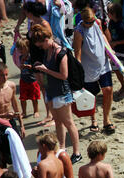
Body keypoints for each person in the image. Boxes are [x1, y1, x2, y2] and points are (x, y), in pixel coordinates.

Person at [31, 24, 82, 164]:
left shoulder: (60, 52)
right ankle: (62, 149)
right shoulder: (47, 52)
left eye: (41, 44)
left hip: (62, 92)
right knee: (58, 122)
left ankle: (77, 152)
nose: (40, 47)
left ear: (47, 39)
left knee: (68, 122)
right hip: (51, 91)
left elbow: (63, 75)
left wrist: (45, 70)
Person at [74, 7, 115, 134]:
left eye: (92, 21)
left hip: (102, 63)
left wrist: (109, 50)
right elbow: (78, 52)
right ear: (83, 20)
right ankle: (93, 120)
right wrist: (79, 70)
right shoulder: (79, 32)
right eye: (88, 22)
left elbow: (102, 35)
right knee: (92, 95)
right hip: (88, 67)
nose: (90, 24)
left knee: (108, 89)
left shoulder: (96, 23)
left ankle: (106, 120)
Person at [22, 1, 54, 127]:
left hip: (44, 59)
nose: (25, 13)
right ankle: (48, 114)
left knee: (48, 87)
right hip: (34, 59)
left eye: (26, 11)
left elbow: (50, 41)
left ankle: (53, 115)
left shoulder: (44, 23)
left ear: (30, 12)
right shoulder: (32, 23)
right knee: (42, 87)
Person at [0, 62, 26, 139]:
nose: (5, 78)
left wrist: (22, 125)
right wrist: (4, 115)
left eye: (6, 75)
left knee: (17, 146)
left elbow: (15, 105)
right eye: (2, 75)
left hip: (10, 121)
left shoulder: (11, 86)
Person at [107, 2, 124, 98]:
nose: (108, 15)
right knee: (116, 70)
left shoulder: (122, 25)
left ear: (114, 14)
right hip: (116, 51)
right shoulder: (111, 23)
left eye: (109, 13)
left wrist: (117, 43)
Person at [15, 38, 41, 119]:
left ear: (27, 47)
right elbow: (21, 67)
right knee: (22, 98)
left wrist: (28, 66)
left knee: (34, 98)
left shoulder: (30, 56)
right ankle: (24, 112)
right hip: (23, 79)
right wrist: (22, 66)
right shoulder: (20, 57)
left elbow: (34, 66)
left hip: (32, 79)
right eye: (19, 49)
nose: (20, 50)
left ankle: (36, 111)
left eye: (22, 48)